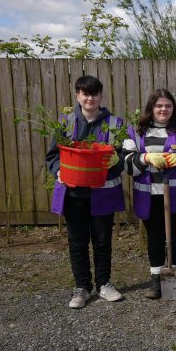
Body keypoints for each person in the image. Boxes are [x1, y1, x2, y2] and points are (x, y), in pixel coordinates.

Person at [46, 75, 125, 309]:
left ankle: (104, 284)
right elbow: (52, 156)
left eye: (94, 93)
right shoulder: (64, 123)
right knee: (77, 241)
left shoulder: (115, 124)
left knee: (102, 240)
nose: (90, 98)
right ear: (78, 95)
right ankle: (82, 287)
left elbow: (125, 158)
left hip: (103, 192)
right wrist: (59, 171)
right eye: (85, 93)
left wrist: (116, 161)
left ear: (101, 96)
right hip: (73, 193)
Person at [122, 89, 176, 299]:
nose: (163, 109)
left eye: (168, 105)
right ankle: (156, 281)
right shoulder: (136, 131)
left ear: (173, 108)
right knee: (155, 237)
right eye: (159, 106)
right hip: (148, 193)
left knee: (175, 236)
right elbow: (128, 164)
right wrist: (146, 159)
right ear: (151, 108)